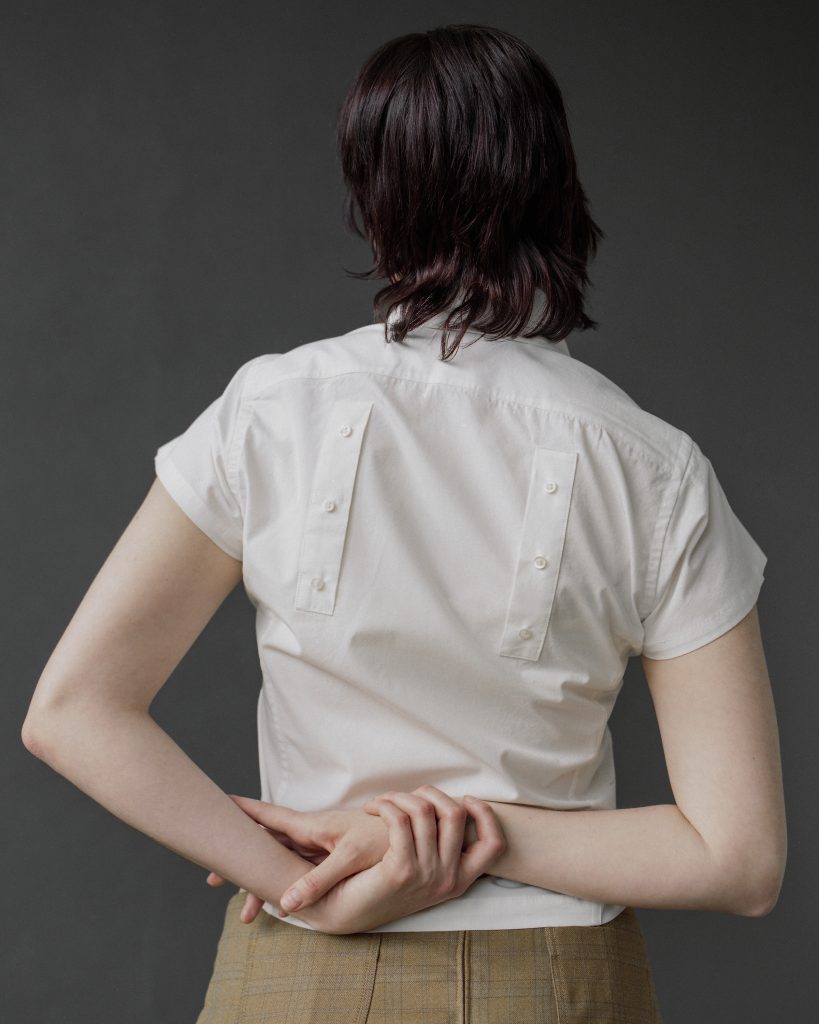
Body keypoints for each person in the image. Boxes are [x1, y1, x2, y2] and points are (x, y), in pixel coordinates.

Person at [21, 22, 787, 1024]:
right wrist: (489, 834)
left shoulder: (271, 412)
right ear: (557, 187)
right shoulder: (655, 468)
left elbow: (72, 709)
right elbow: (741, 860)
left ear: (371, 194)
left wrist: (309, 881)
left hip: (300, 972)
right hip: (561, 984)